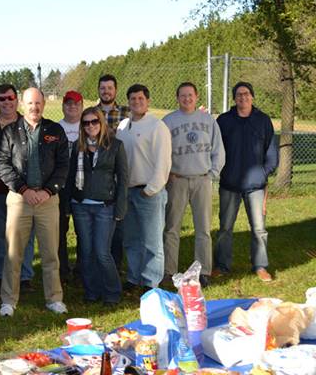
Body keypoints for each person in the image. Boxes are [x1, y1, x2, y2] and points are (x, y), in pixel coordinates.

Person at [0, 87, 70, 317]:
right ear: (22, 104)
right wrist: (23, 189)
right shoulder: (10, 131)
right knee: (13, 253)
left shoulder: (55, 130)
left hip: (47, 200)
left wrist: (48, 191)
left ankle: (54, 299)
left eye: (38, 103)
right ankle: (8, 300)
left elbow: (63, 165)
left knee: (50, 253)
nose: (34, 107)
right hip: (20, 200)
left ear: (44, 104)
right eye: (30, 103)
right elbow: (3, 164)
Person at [162, 82, 225, 287]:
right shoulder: (168, 121)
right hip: (177, 179)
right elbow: (161, 152)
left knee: (203, 229)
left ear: (196, 97)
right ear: (177, 98)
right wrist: (165, 174)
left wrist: (212, 173)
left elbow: (218, 150)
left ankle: (203, 270)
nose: (186, 98)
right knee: (171, 228)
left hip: (201, 179)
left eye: (190, 95)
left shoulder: (208, 120)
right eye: (182, 95)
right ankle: (169, 270)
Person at [214, 81, 279, 282]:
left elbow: (272, 151)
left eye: (247, 94)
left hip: (255, 186)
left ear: (252, 97)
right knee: (225, 228)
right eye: (239, 94)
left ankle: (260, 266)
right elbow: (215, 149)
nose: (243, 97)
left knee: (259, 228)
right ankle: (222, 266)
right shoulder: (224, 121)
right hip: (229, 184)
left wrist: (263, 172)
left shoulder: (262, 120)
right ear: (234, 98)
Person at [66, 107, 128, 305]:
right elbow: (69, 177)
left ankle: (112, 292)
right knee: (86, 251)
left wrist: (120, 208)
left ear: (101, 123)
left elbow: (123, 178)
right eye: (86, 123)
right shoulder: (77, 147)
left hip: (104, 206)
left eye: (94, 121)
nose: (90, 126)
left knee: (102, 252)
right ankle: (91, 291)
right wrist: (68, 205)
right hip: (81, 205)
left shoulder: (115, 146)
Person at [0, 84, 36, 295]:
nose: (6, 102)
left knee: (26, 236)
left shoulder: (29, 125)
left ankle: (25, 276)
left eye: (10, 98)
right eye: (2, 99)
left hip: (24, 191)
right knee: (0, 236)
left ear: (17, 100)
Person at [116, 84, 171, 290]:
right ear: (128, 102)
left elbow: (163, 162)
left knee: (152, 242)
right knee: (131, 239)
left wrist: (151, 189)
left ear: (147, 101)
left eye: (141, 98)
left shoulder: (157, 127)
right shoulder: (122, 126)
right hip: (127, 190)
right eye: (133, 99)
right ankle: (133, 277)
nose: (137, 102)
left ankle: (150, 282)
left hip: (149, 192)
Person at [95, 74, 130, 272]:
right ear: (98, 90)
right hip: (99, 175)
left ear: (115, 90)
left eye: (109, 88)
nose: (106, 91)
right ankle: (98, 264)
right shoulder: (92, 113)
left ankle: (116, 265)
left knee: (118, 223)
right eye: (103, 88)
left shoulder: (126, 112)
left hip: (119, 171)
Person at [58, 90, 83, 284]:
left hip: (84, 185)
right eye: (68, 103)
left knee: (84, 228)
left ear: (81, 105)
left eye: (75, 103)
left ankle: (83, 267)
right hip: (62, 185)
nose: (72, 106)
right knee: (60, 229)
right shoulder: (56, 128)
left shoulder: (89, 125)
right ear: (63, 105)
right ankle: (63, 269)